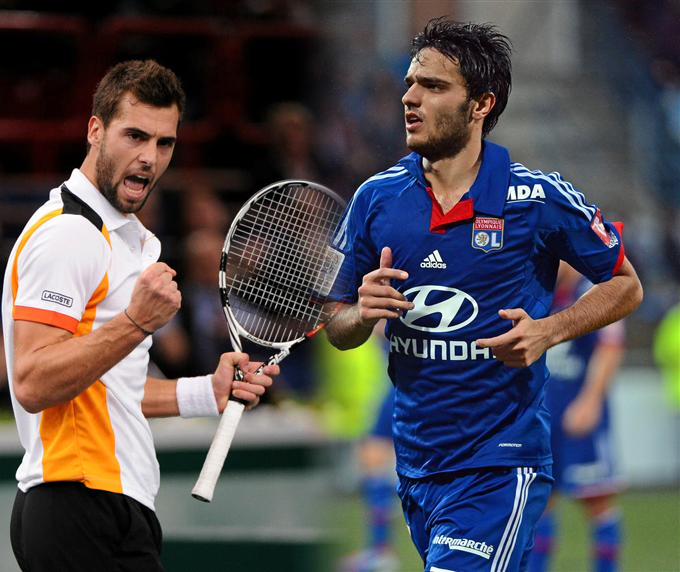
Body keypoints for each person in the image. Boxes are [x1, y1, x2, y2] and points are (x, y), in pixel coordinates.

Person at [324, 17, 643, 572]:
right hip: (417, 463)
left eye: (433, 86)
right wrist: (361, 313)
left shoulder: (537, 198)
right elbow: (337, 327)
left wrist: (549, 330)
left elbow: (626, 284)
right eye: (409, 83)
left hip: (501, 463)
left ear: (481, 104)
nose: (409, 98)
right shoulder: (375, 198)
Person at [1, 59, 278, 572]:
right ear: (95, 131)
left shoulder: (112, 236)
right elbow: (32, 381)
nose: (149, 157)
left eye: (164, 143)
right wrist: (134, 323)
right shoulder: (70, 234)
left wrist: (206, 392)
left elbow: (108, 392)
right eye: (134, 136)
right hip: (81, 503)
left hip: (99, 505)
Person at [528, 262, 626, 572]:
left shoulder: (593, 290)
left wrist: (590, 400)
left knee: (597, 500)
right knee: (539, 502)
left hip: (579, 414)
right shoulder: (539, 290)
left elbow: (610, 347)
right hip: (543, 416)